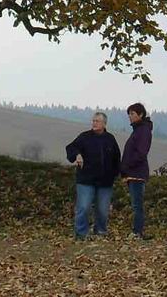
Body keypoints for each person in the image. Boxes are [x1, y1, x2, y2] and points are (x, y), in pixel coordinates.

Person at [65, 111, 121, 240]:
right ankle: (81, 234)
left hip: (105, 181)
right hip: (86, 180)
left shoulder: (110, 139)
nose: (94, 123)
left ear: (104, 123)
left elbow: (117, 159)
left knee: (103, 210)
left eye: (97, 121)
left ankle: (100, 231)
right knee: (83, 207)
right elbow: (71, 148)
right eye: (93, 121)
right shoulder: (84, 137)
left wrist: (116, 174)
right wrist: (77, 155)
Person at [120, 103, 153, 239]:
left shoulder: (143, 130)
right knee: (135, 204)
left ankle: (137, 232)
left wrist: (128, 166)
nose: (130, 116)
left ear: (141, 115)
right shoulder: (137, 130)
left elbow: (141, 153)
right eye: (129, 114)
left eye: (133, 114)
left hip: (137, 173)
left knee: (137, 205)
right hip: (132, 173)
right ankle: (137, 231)